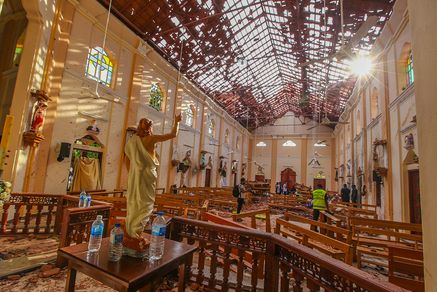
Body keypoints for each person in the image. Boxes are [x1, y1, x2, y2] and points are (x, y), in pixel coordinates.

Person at [124, 114, 181, 239]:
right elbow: (172, 134)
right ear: (150, 128)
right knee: (146, 203)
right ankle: (136, 233)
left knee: (135, 202)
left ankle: (131, 232)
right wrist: (176, 122)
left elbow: (127, 158)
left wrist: (132, 173)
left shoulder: (133, 140)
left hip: (136, 176)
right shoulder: (152, 138)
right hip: (148, 175)